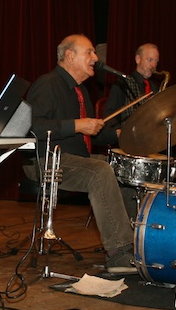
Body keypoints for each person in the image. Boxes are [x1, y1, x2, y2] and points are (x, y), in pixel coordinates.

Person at [24, 34, 136, 274]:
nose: (96, 58)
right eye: (90, 52)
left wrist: (122, 133)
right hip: (47, 160)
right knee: (100, 171)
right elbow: (31, 127)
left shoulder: (80, 90)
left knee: (126, 168)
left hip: (77, 160)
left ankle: (137, 242)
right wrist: (76, 125)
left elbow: (94, 132)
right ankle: (119, 252)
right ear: (70, 56)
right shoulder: (47, 84)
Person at [96, 43, 163, 149]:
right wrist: (119, 133)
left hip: (150, 141)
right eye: (150, 60)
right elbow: (110, 115)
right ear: (138, 59)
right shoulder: (123, 84)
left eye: (156, 61)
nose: (153, 65)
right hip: (128, 143)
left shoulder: (154, 88)